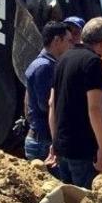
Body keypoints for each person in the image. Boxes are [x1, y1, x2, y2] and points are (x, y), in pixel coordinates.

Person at [47, 17, 102, 188]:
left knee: (67, 200)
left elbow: (52, 103)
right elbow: (95, 108)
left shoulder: (63, 59)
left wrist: (55, 142)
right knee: (86, 201)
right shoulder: (93, 62)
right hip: (83, 150)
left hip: (63, 147)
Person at [24, 21, 73, 165]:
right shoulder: (45, 67)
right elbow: (46, 105)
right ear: (57, 41)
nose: (71, 45)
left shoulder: (41, 64)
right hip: (43, 142)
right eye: (68, 41)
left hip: (40, 138)